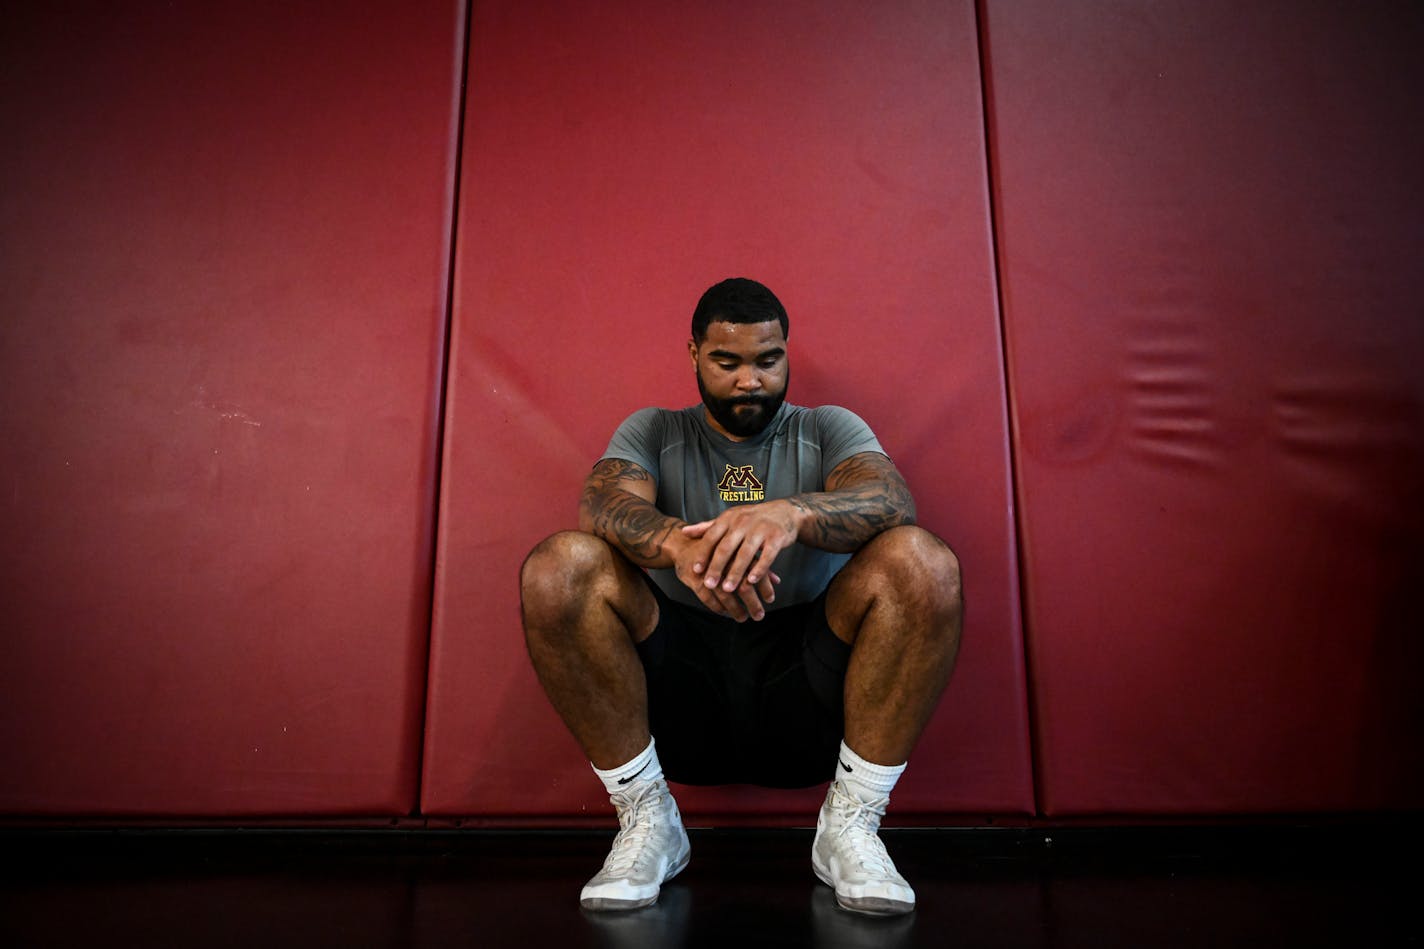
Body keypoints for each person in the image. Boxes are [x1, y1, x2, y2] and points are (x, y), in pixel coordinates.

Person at [520, 277, 962, 917]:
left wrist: (789, 516)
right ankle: (648, 822)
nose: (749, 380)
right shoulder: (654, 430)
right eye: (727, 362)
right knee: (560, 565)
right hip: (679, 680)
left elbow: (890, 499)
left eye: (767, 360)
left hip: (807, 680)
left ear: (787, 354)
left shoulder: (828, 428)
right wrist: (680, 544)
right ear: (693, 355)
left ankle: (852, 826)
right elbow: (602, 503)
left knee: (922, 561)